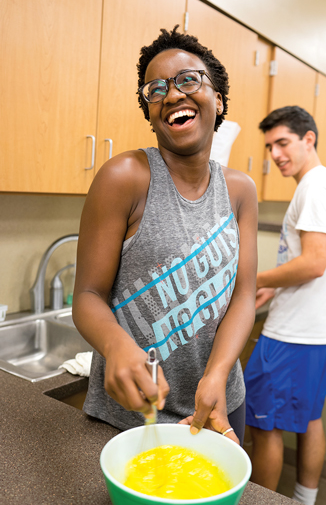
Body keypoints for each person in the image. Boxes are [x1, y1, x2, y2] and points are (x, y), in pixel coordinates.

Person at [72, 26, 258, 446]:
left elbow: (244, 294)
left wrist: (217, 373)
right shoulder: (125, 177)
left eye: (188, 80)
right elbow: (86, 295)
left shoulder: (241, 190)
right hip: (132, 417)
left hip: (217, 404)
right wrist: (116, 345)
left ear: (219, 99)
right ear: (150, 112)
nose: (172, 95)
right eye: (155, 89)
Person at [244, 106, 326, 504]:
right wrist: (275, 289)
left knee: (265, 426)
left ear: (309, 139)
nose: (275, 154)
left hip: (293, 335)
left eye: (283, 143)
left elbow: (313, 263)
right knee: (308, 420)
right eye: (270, 146)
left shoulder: (314, 188)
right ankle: (304, 500)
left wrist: (256, 280)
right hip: (317, 332)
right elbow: (308, 259)